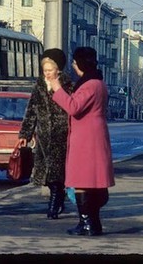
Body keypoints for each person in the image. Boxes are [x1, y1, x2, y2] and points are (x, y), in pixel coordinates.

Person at [49, 47, 114, 236]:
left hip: (86, 139)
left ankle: (87, 224)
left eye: (75, 63)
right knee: (90, 180)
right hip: (92, 136)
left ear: (81, 64)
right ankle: (92, 222)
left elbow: (73, 107)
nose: (73, 66)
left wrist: (57, 88)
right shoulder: (97, 82)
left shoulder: (89, 85)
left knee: (82, 181)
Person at [17, 48, 73, 219]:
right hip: (43, 137)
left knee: (56, 174)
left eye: (50, 70)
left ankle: (53, 206)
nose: (47, 74)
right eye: (45, 70)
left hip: (61, 136)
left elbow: (71, 108)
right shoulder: (39, 85)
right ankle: (59, 199)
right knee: (46, 176)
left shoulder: (68, 85)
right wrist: (25, 135)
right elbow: (32, 111)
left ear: (58, 70)